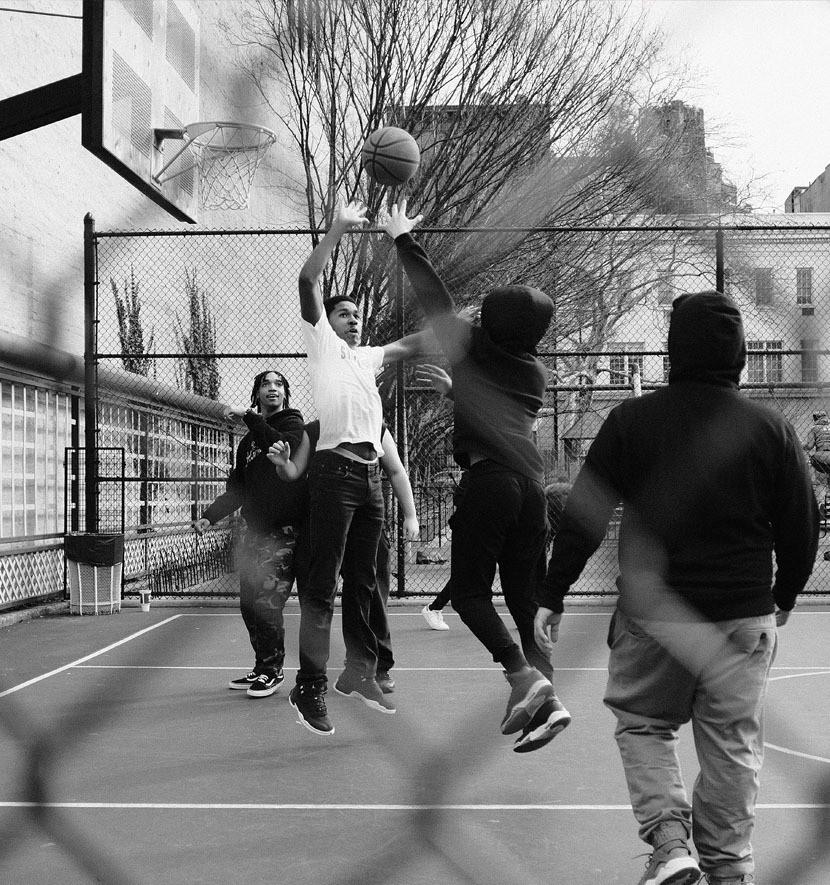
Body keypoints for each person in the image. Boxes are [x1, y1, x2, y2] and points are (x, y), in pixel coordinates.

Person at [534, 291, 819, 885]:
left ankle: (669, 843)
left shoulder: (634, 420)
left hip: (655, 610)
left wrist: (552, 591)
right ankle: (730, 868)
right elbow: (801, 522)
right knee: (734, 745)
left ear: (673, 349)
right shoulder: (770, 427)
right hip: (740, 611)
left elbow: (585, 514)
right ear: (741, 355)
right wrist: (785, 595)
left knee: (642, 724)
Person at [382, 199, 571, 753]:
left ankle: (521, 676)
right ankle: (549, 698)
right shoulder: (534, 371)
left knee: (468, 594)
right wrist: (457, 392)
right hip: (530, 490)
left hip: (491, 483)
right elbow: (502, 407)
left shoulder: (471, 347)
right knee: (523, 599)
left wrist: (402, 238)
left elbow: (435, 299)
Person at [289, 201, 428, 736]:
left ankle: (361, 671)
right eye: (346, 313)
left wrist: (459, 316)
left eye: (358, 316)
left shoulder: (368, 357)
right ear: (331, 320)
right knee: (322, 586)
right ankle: (309, 688)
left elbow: (418, 341)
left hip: (370, 479)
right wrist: (340, 228)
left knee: (366, 581)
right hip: (335, 475)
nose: (355, 320)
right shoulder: (321, 344)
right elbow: (308, 278)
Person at [268, 420, 420, 698]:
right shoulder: (315, 430)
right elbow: (292, 472)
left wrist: (410, 515)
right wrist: (282, 464)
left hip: (365, 527)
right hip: (322, 525)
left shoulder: (374, 426)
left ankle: (375, 667)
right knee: (317, 598)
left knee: (370, 596)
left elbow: (396, 470)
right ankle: (313, 677)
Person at [194, 370, 305, 699]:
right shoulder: (246, 444)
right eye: (265, 384)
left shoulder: (292, 424)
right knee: (248, 604)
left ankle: (274, 670)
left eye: (278, 384)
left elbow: (280, 447)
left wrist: (251, 419)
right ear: (256, 393)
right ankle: (262, 666)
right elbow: (238, 489)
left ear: (285, 394)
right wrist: (209, 517)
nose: (272, 388)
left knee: (267, 602)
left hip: (284, 532)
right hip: (253, 533)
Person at [416, 363, 455, 631]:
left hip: (501, 495)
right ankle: (434, 607)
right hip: (479, 500)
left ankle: (527, 611)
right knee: (472, 571)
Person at [802, 409, 830, 489]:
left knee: (810, 461)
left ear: (815, 419)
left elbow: (810, 446)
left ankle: (813, 484)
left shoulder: (814, 429)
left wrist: (802, 445)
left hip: (821, 457)